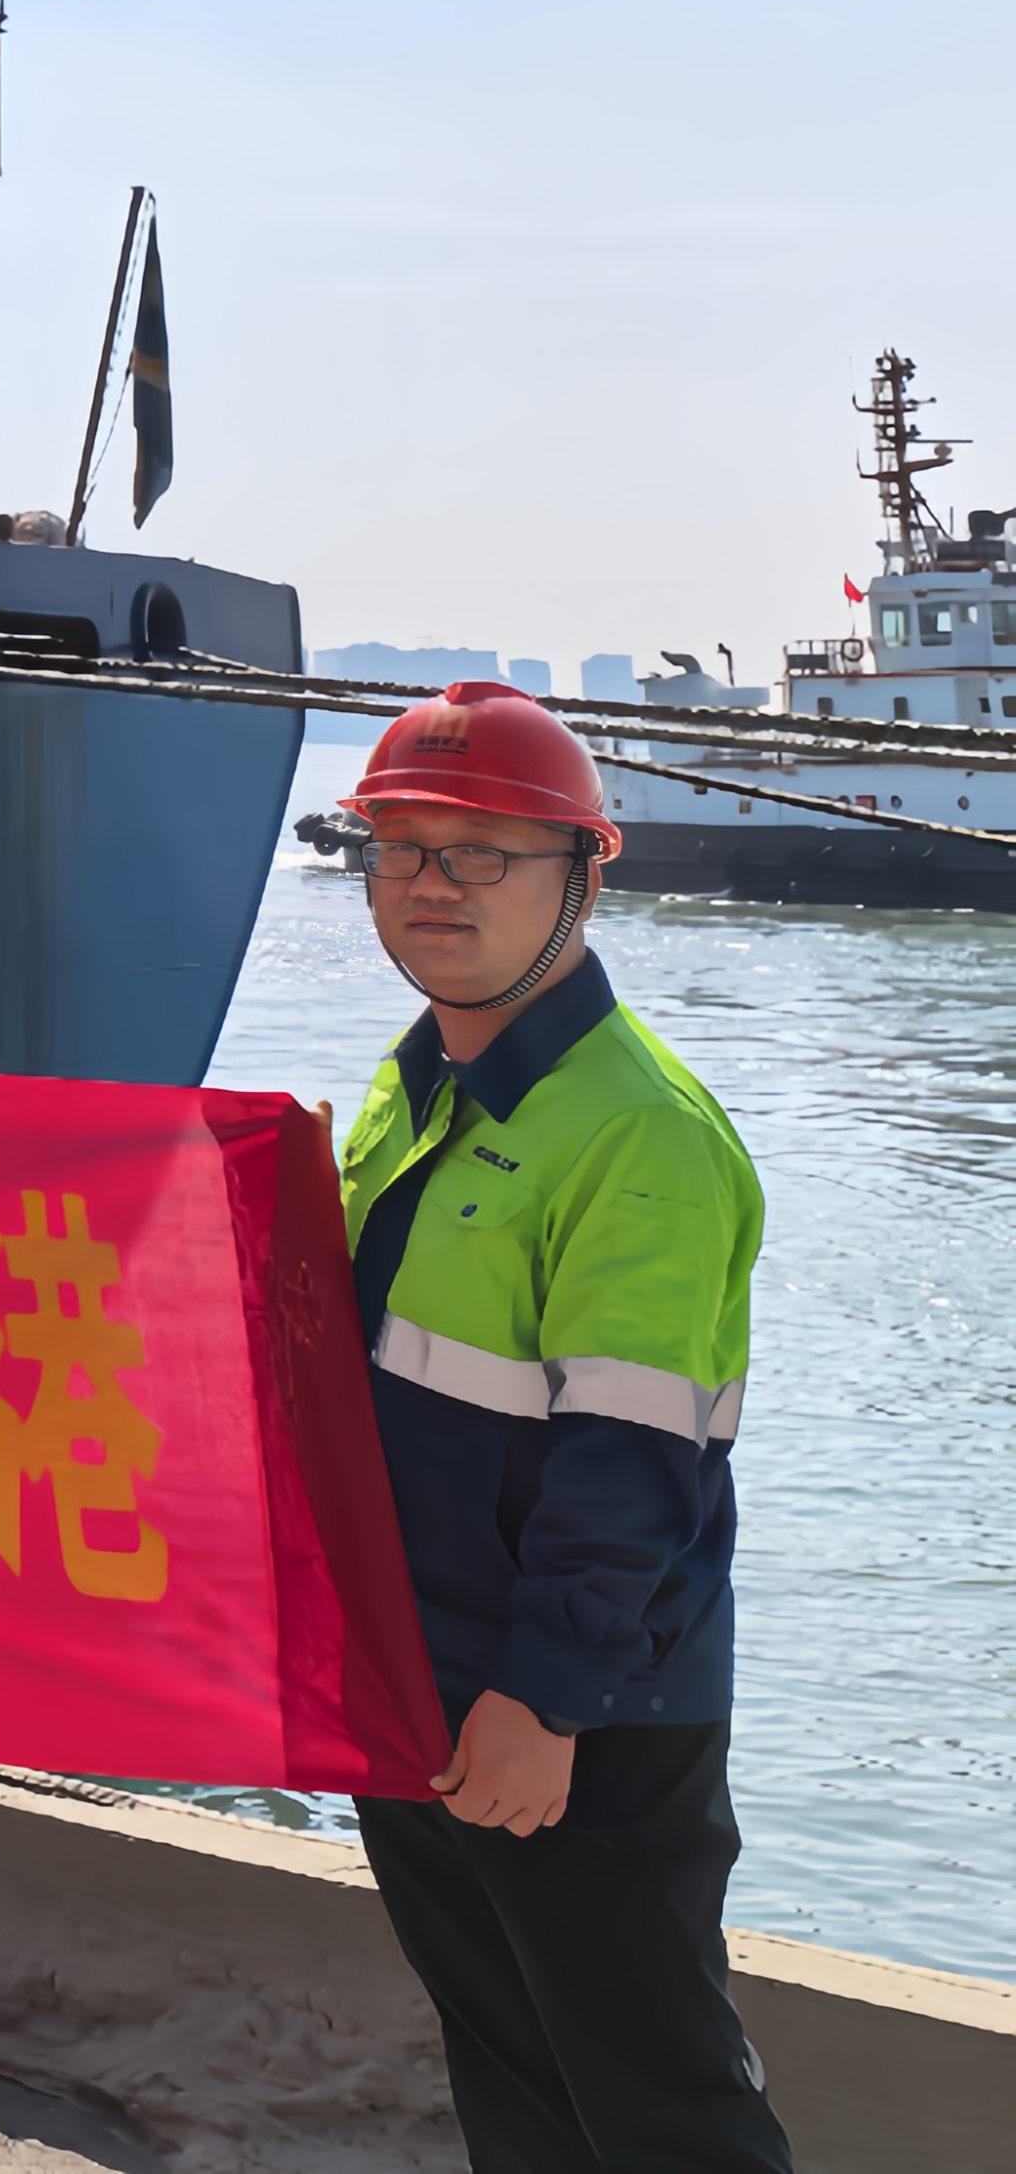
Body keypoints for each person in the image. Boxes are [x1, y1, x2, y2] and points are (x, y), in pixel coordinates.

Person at [334, 681, 787, 2174]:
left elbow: (637, 1459)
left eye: (486, 850)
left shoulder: (639, 1131)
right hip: (422, 1683)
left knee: (663, 2112)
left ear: (585, 874)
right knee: (516, 2081)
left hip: (578, 1718)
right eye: (402, 847)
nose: (434, 883)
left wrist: (547, 1700)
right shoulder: (415, 1082)